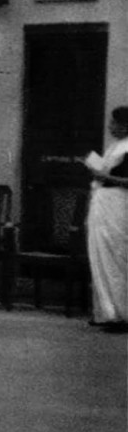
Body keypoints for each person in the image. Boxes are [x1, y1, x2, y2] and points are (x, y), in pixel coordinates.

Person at [86, 106, 128, 332]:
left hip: (117, 205)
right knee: (101, 257)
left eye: (114, 123)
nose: (110, 127)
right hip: (103, 203)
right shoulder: (115, 147)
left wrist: (106, 176)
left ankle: (120, 314)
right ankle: (105, 312)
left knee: (115, 258)